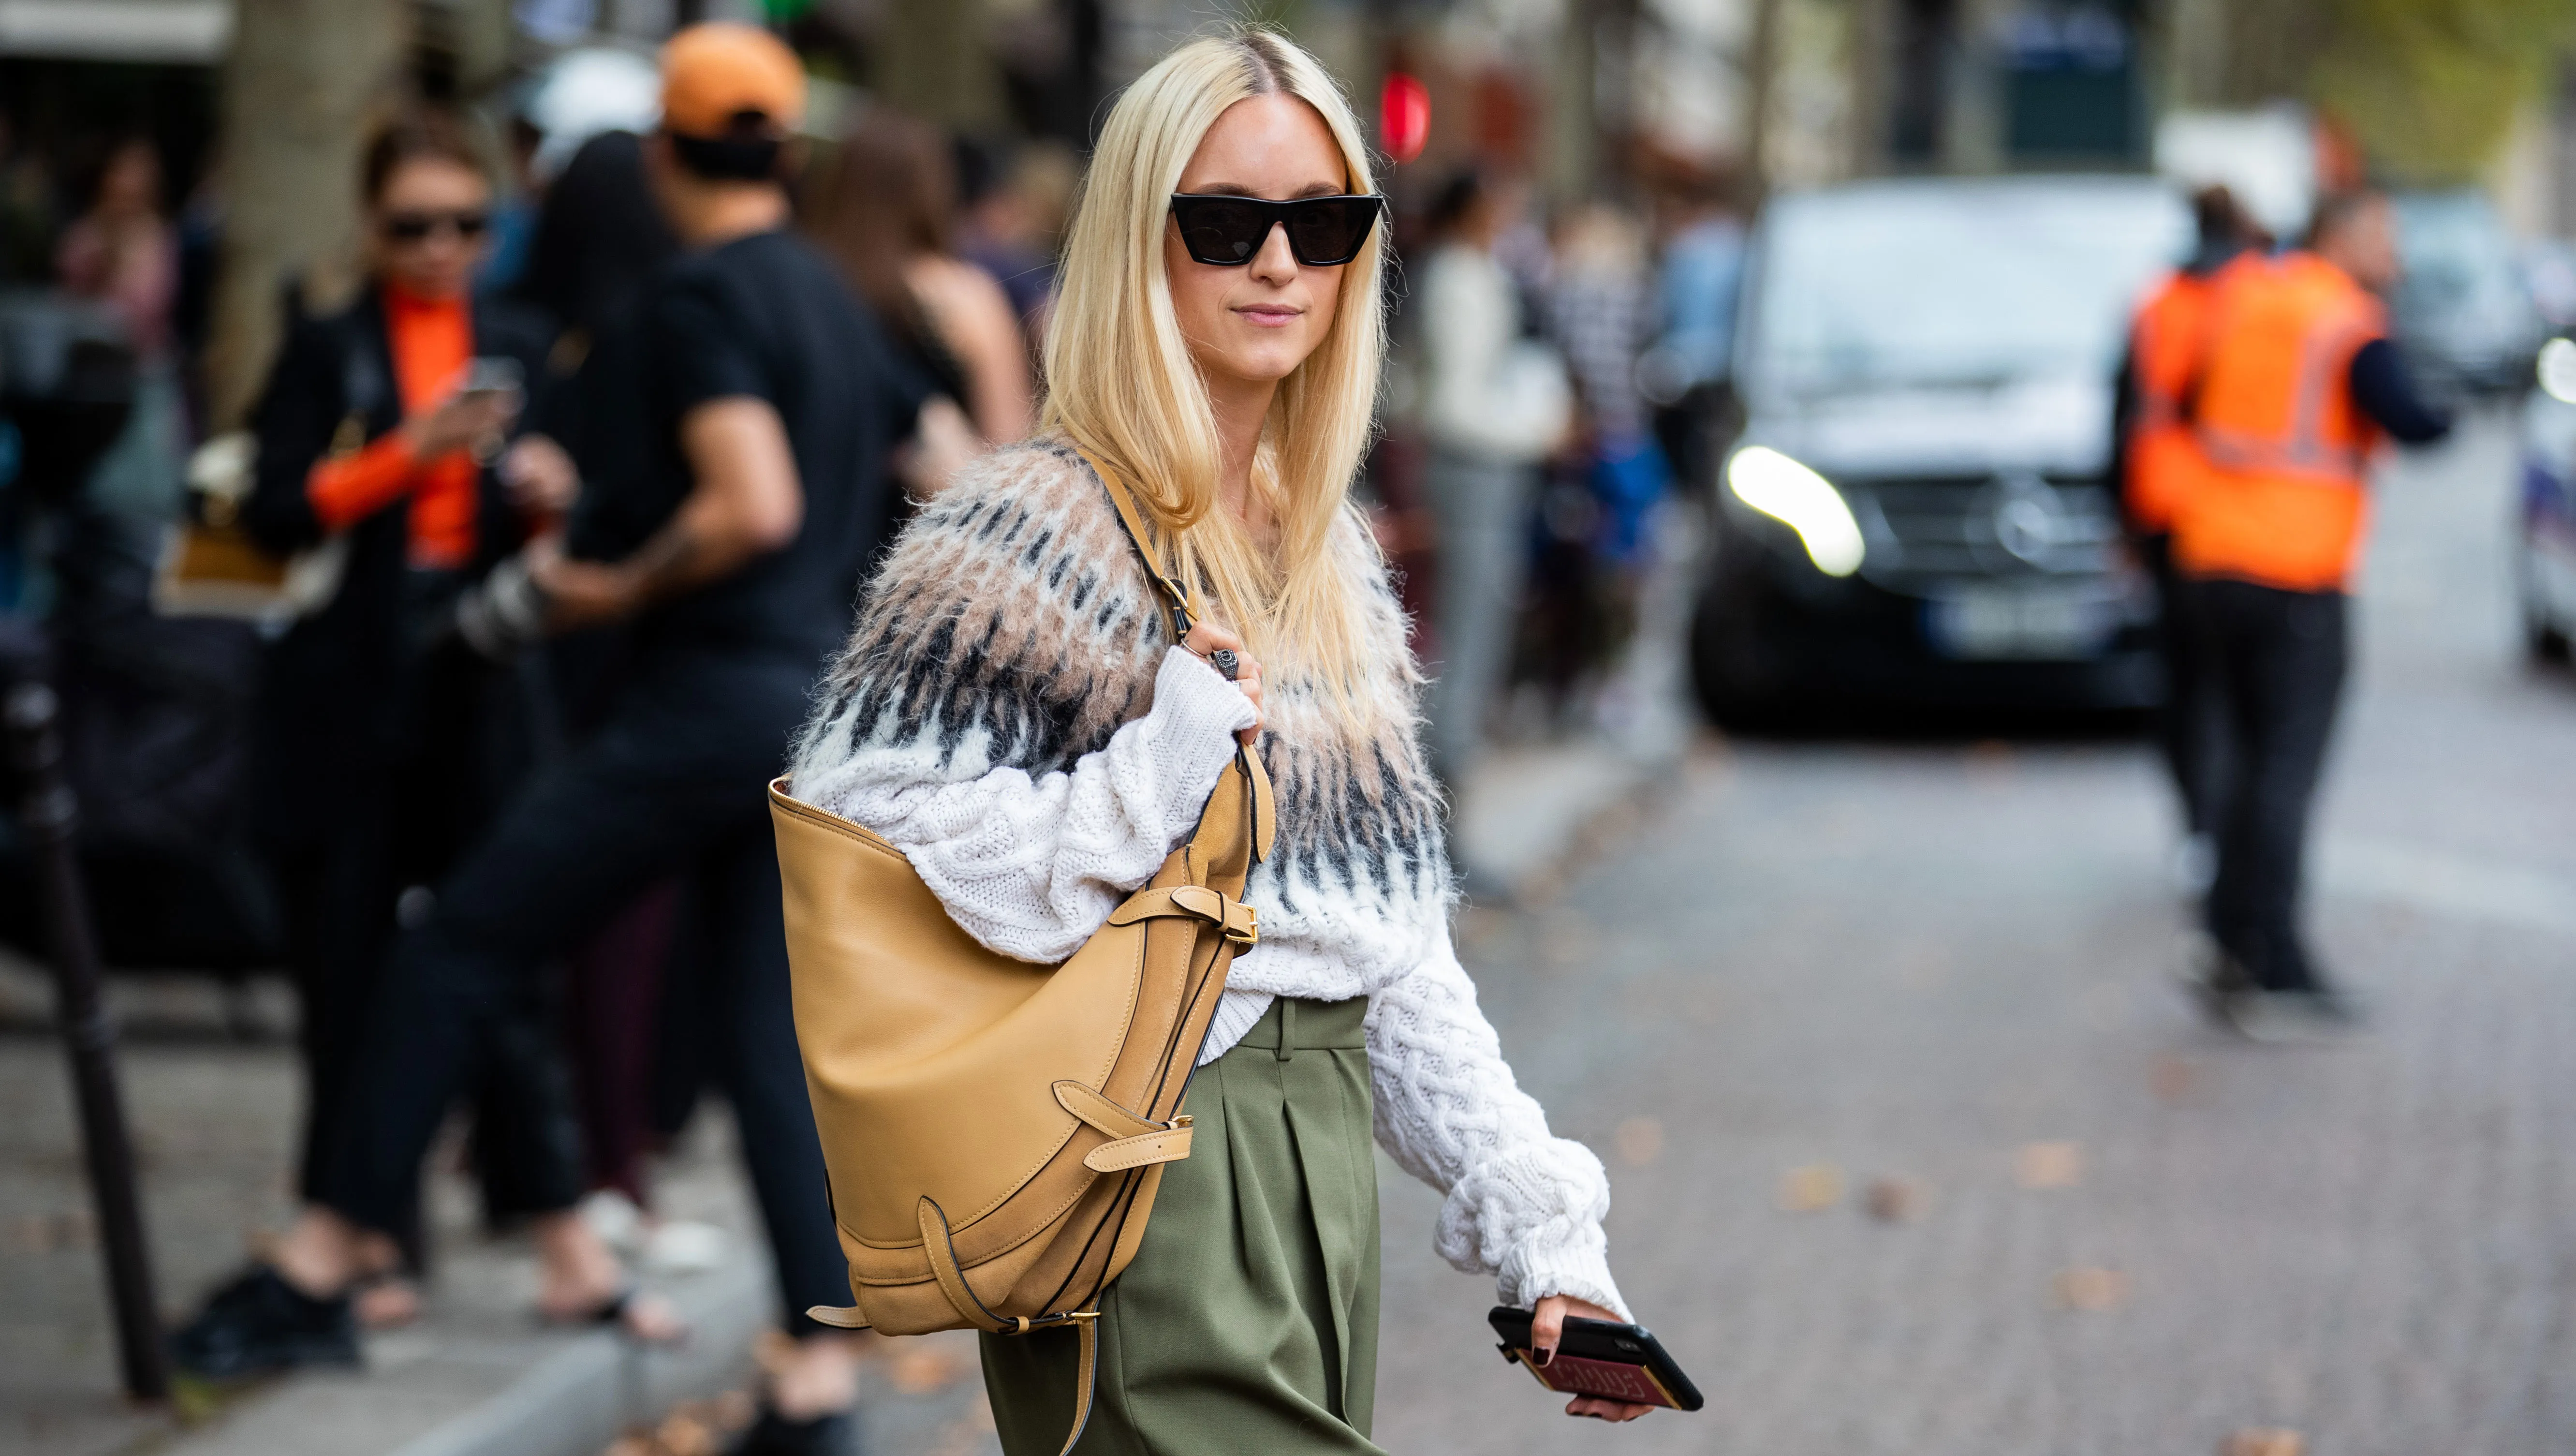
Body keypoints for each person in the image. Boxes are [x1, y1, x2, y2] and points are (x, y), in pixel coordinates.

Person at [785, 30, 1646, 1452]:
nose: (1276, 263)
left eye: (1321, 223)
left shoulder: (1326, 561)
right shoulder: (1029, 529)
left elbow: (1385, 947)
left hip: (1320, 1180)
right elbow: (872, 846)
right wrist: (1150, 776)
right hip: (1145, 1170)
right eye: (1223, 221)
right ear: (1141, 238)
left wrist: (1538, 1225)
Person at [172, 31, 970, 1452]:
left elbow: (752, 500)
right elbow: (956, 469)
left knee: (457, 937)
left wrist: (610, 584)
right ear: (784, 156)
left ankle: (321, 1252)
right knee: (756, 1040)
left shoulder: (700, 297)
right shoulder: (840, 302)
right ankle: (810, 1382)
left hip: (706, 701)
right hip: (811, 712)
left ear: (663, 153)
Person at [170, 112, 619, 1358]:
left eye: (466, 225)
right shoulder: (330, 344)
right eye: (414, 226)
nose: (440, 250)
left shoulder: (523, 338)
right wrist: (403, 458)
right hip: (351, 693)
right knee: (346, 968)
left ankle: (559, 1235)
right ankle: (364, 1238)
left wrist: (545, 497)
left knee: (499, 958)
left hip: (484, 684)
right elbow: (266, 510)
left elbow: (580, 512)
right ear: (371, 226)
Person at [2172, 188, 2451, 1040]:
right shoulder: (2344, 318)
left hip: (2211, 557)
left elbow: (2184, 401)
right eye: (2382, 239)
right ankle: (2273, 961)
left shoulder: (2244, 297)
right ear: (2339, 237)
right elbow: (2411, 419)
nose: (2394, 260)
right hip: (2296, 571)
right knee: (2283, 771)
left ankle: (2226, 943)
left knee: (2243, 759)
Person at [2115, 185, 2268, 890]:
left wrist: (2119, 519)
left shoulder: (2155, 302)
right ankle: (2232, 827)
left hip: (2165, 513)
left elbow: (2120, 416)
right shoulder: (2259, 300)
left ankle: (2198, 826)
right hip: (2241, 519)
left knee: (2183, 682)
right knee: (2239, 688)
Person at [1411, 167, 1571, 790]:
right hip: (1469, 473)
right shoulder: (1457, 278)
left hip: (1480, 471)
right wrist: (1538, 431)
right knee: (1466, 639)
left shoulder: (1470, 273)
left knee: (1473, 636)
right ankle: (1441, 807)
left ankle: (1447, 808)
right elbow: (1455, 405)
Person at [811, 106, 1033, 444]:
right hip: (940, 491)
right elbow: (1006, 436)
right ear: (934, 185)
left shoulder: (812, 284)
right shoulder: (964, 294)